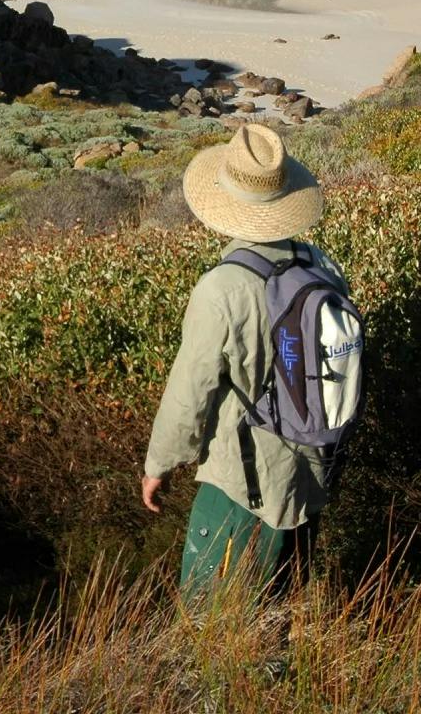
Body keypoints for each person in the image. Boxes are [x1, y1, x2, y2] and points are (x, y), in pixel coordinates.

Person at [141, 123, 348, 599]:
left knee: (211, 618)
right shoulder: (321, 267)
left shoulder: (222, 288)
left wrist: (159, 465)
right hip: (311, 473)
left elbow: (189, 394)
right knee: (282, 602)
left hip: (242, 483)